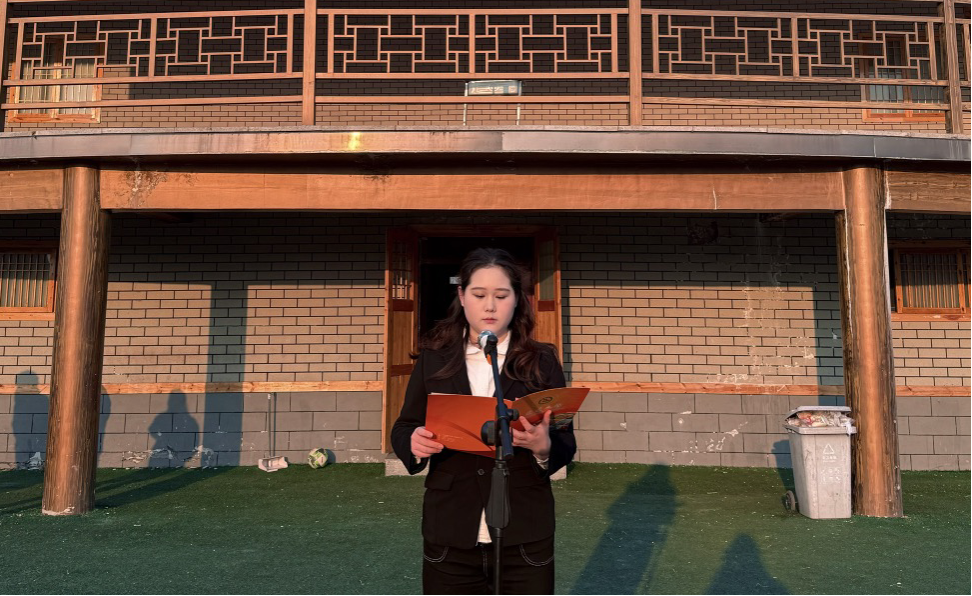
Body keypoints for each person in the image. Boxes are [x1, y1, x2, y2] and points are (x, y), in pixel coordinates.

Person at [392, 247, 575, 596]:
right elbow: (404, 427)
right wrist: (413, 442)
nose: (490, 306)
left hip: (525, 532)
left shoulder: (543, 361)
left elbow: (566, 441)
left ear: (517, 299)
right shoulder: (434, 358)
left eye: (501, 296)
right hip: (450, 530)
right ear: (462, 296)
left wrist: (543, 447)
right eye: (479, 295)